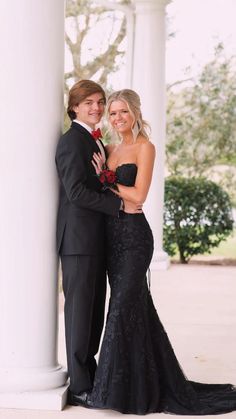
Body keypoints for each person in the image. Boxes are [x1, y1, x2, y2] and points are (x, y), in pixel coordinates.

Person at [86, 88, 236, 415]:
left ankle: (112, 393)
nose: (117, 118)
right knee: (137, 310)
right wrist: (101, 179)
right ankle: (140, 386)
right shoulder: (108, 148)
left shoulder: (145, 148)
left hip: (135, 237)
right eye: (112, 113)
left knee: (121, 307)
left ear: (136, 113)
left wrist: (104, 180)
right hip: (111, 237)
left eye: (123, 111)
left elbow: (138, 196)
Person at [55, 80, 140, 407]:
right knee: (79, 313)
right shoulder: (71, 142)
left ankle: (89, 376)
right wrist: (119, 205)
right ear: (74, 107)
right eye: (88, 102)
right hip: (77, 240)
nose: (96, 108)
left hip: (96, 239)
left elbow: (98, 184)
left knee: (93, 313)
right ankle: (79, 387)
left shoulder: (95, 141)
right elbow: (75, 193)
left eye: (99, 102)